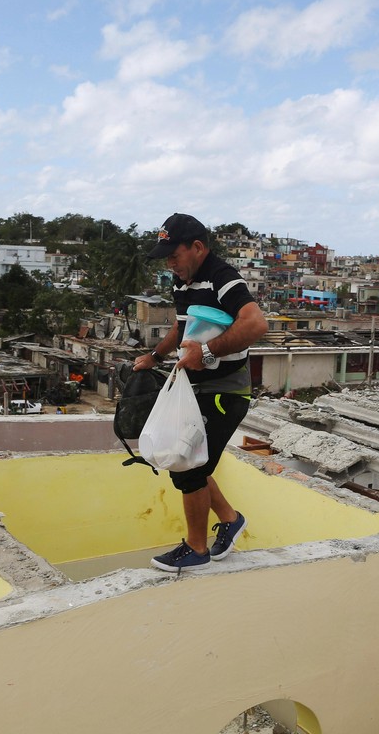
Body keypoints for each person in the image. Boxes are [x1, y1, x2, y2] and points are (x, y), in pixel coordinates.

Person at [134, 213, 268, 572]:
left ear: (197, 247)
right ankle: (229, 518)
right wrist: (154, 356)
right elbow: (182, 329)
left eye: (174, 255)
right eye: (165, 257)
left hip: (227, 392)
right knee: (191, 458)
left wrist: (206, 353)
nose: (170, 263)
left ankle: (196, 549)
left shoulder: (223, 278)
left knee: (186, 465)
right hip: (196, 388)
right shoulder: (182, 283)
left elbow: (256, 323)